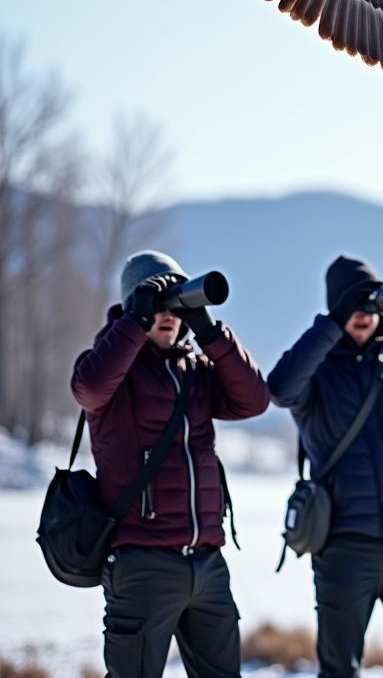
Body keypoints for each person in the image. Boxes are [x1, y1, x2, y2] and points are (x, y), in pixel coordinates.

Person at [71, 250, 271, 678]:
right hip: (142, 564)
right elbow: (88, 390)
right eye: (157, 304)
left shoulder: (195, 370)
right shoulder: (111, 368)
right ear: (134, 305)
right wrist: (134, 323)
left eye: (176, 304)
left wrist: (210, 332)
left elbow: (254, 400)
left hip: (207, 562)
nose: (169, 314)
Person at [267, 255, 383, 678]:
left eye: (369, 306)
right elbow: (279, 390)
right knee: (339, 669)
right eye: (351, 307)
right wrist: (330, 325)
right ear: (335, 308)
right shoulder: (316, 372)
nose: (362, 315)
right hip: (345, 545)